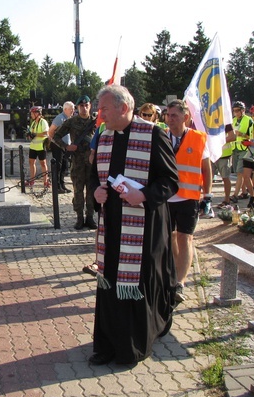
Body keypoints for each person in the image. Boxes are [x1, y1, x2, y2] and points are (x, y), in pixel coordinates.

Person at [88, 85, 178, 365]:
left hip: (145, 226)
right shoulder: (104, 136)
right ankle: (107, 345)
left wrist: (144, 195)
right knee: (109, 282)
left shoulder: (153, 134)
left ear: (123, 108)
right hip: (112, 224)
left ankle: (133, 346)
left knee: (137, 283)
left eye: (103, 109)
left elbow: (170, 181)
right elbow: (94, 176)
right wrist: (95, 193)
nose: (99, 115)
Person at [164, 100, 212, 303]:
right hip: (165, 197)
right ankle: (172, 272)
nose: (169, 118)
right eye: (167, 114)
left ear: (186, 117)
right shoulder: (160, 137)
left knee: (185, 238)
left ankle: (180, 283)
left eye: (174, 115)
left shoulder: (198, 138)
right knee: (169, 238)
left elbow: (206, 169)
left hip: (188, 198)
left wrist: (207, 196)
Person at [53, 95, 97, 229]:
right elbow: (55, 136)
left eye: (86, 105)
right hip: (77, 162)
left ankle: (90, 217)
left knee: (91, 190)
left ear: (90, 106)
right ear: (77, 107)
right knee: (78, 190)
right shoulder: (71, 122)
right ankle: (79, 218)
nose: (84, 108)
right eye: (81, 106)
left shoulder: (97, 122)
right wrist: (66, 147)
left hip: (91, 161)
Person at [48, 101, 75, 193]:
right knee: (58, 166)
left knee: (64, 166)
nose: (73, 111)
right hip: (58, 145)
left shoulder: (69, 119)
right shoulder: (60, 118)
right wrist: (54, 141)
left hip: (65, 146)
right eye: (71, 109)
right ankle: (57, 186)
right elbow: (51, 130)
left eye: (73, 109)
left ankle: (62, 185)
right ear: (65, 109)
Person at [230, 101, 252, 203]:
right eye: (234, 111)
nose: (236, 112)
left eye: (237, 110)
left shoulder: (249, 120)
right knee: (240, 173)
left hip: (244, 149)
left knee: (240, 173)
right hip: (235, 148)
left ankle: (235, 195)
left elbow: (253, 136)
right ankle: (244, 192)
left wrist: (242, 134)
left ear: (243, 110)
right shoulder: (233, 120)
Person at [213, 124, 236, 207]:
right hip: (212, 154)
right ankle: (205, 201)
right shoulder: (209, 119)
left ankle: (227, 200)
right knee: (207, 178)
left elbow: (233, 137)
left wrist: (218, 141)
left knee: (225, 177)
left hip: (224, 155)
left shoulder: (226, 122)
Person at [26, 106, 50, 188]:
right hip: (33, 146)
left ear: (37, 113)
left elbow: (46, 133)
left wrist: (36, 134)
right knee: (31, 163)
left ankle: (46, 181)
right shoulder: (33, 123)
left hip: (41, 146)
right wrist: (29, 135)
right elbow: (32, 133)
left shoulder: (43, 122)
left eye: (32, 113)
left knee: (43, 164)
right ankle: (32, 180)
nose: (31, 115)